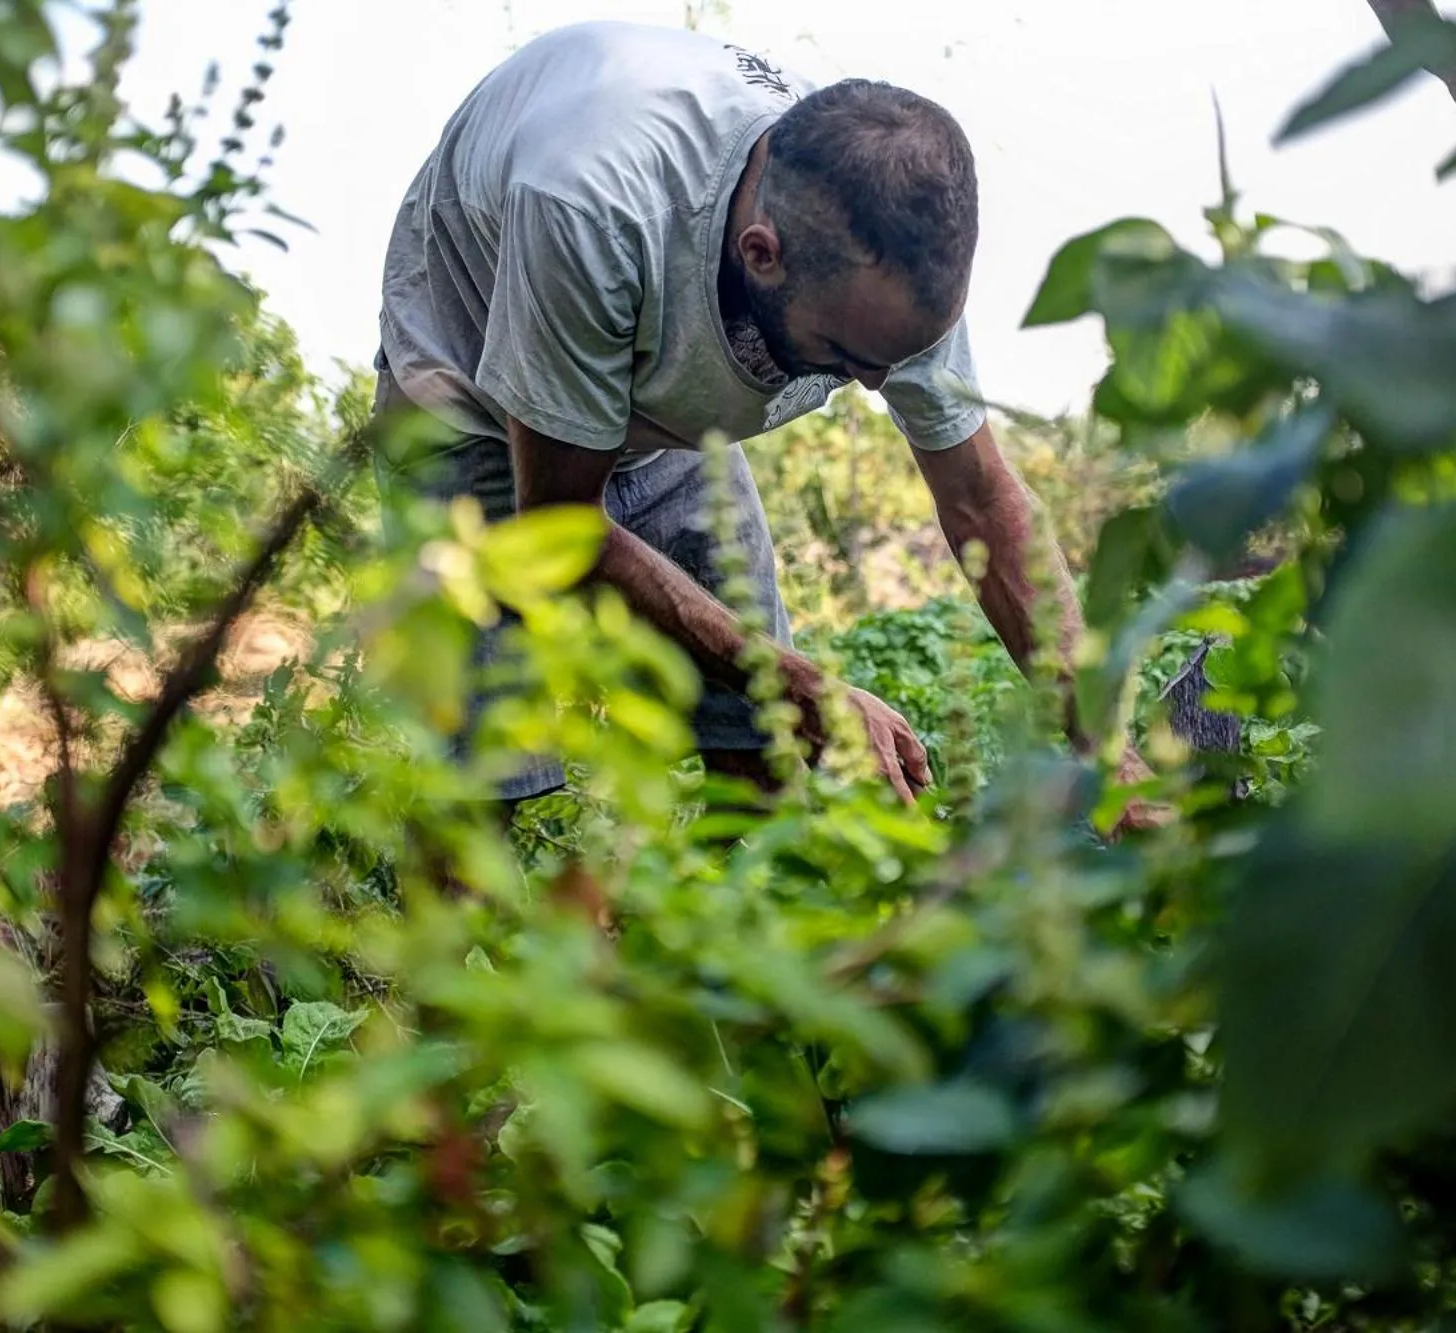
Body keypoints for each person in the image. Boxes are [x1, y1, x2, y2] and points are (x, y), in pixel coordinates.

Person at [370, 19, 1156, 815]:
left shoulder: (882, 257)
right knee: (484, 790)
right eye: (847, 356)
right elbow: (561, 525)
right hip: (469, 401)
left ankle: (709, 928)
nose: (877, 380)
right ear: (761, 253)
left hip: (662, 409)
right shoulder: (590, 205)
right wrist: (807, 680)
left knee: (763, 752)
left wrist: (1108, 753)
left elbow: (981, 500)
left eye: (898, 354)